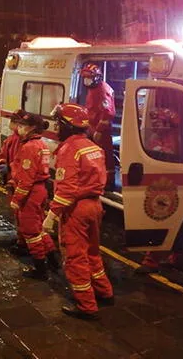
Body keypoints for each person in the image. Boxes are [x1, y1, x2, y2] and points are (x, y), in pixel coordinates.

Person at [43, 103, 114, 320]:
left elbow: (66, 188)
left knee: (75, 257)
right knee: (93, 251)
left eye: (58, 123)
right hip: (95, 205)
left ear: (67, 125)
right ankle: (104, 292)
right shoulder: (92, 146)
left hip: (76, 209)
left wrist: (51, 215)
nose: (56, 127)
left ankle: (86, 305)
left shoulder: (69, 149)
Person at [9, 112, 59, 280]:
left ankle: (41, 268)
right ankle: (53, 260)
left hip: (31, 193)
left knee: (30, 231)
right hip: (40, 190)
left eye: (23, 126)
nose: (19, 128)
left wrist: (17, 199)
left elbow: (26, 178)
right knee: (39, 228)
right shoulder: (41, 144)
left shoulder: (30, 147)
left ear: (32, 129)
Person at [135, 107, 181, 274]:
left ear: (168, 124)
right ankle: (172, 255)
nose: (154, 125)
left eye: (158, 122)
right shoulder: (157, 136)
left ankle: (152, 260)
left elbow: (167, 156)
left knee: (160, 219)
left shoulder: (175, 139)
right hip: (162, 183)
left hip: (169, 185)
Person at [81, 63, 117, 191]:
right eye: (84, 77)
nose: (86, 80)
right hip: (92, 126)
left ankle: (108, 182)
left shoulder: (102, 90)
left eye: (88, 77)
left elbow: (108, 113)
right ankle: (96, 178)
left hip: (101, 129)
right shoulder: (93, 88)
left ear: (97, 77)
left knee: (104, 154)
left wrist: (99, 130)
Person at [0, 110, 26, 254]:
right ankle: (21, 241)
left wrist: (10, 168)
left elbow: (23, 164)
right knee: (17, 214)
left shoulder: (25, 141)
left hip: (20, 183)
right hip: (12, 180)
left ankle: (25, 244)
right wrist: (2, 162)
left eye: (14, 121)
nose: (12, 123)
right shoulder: (12, 139)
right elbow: (3, 154)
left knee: (24, 215)